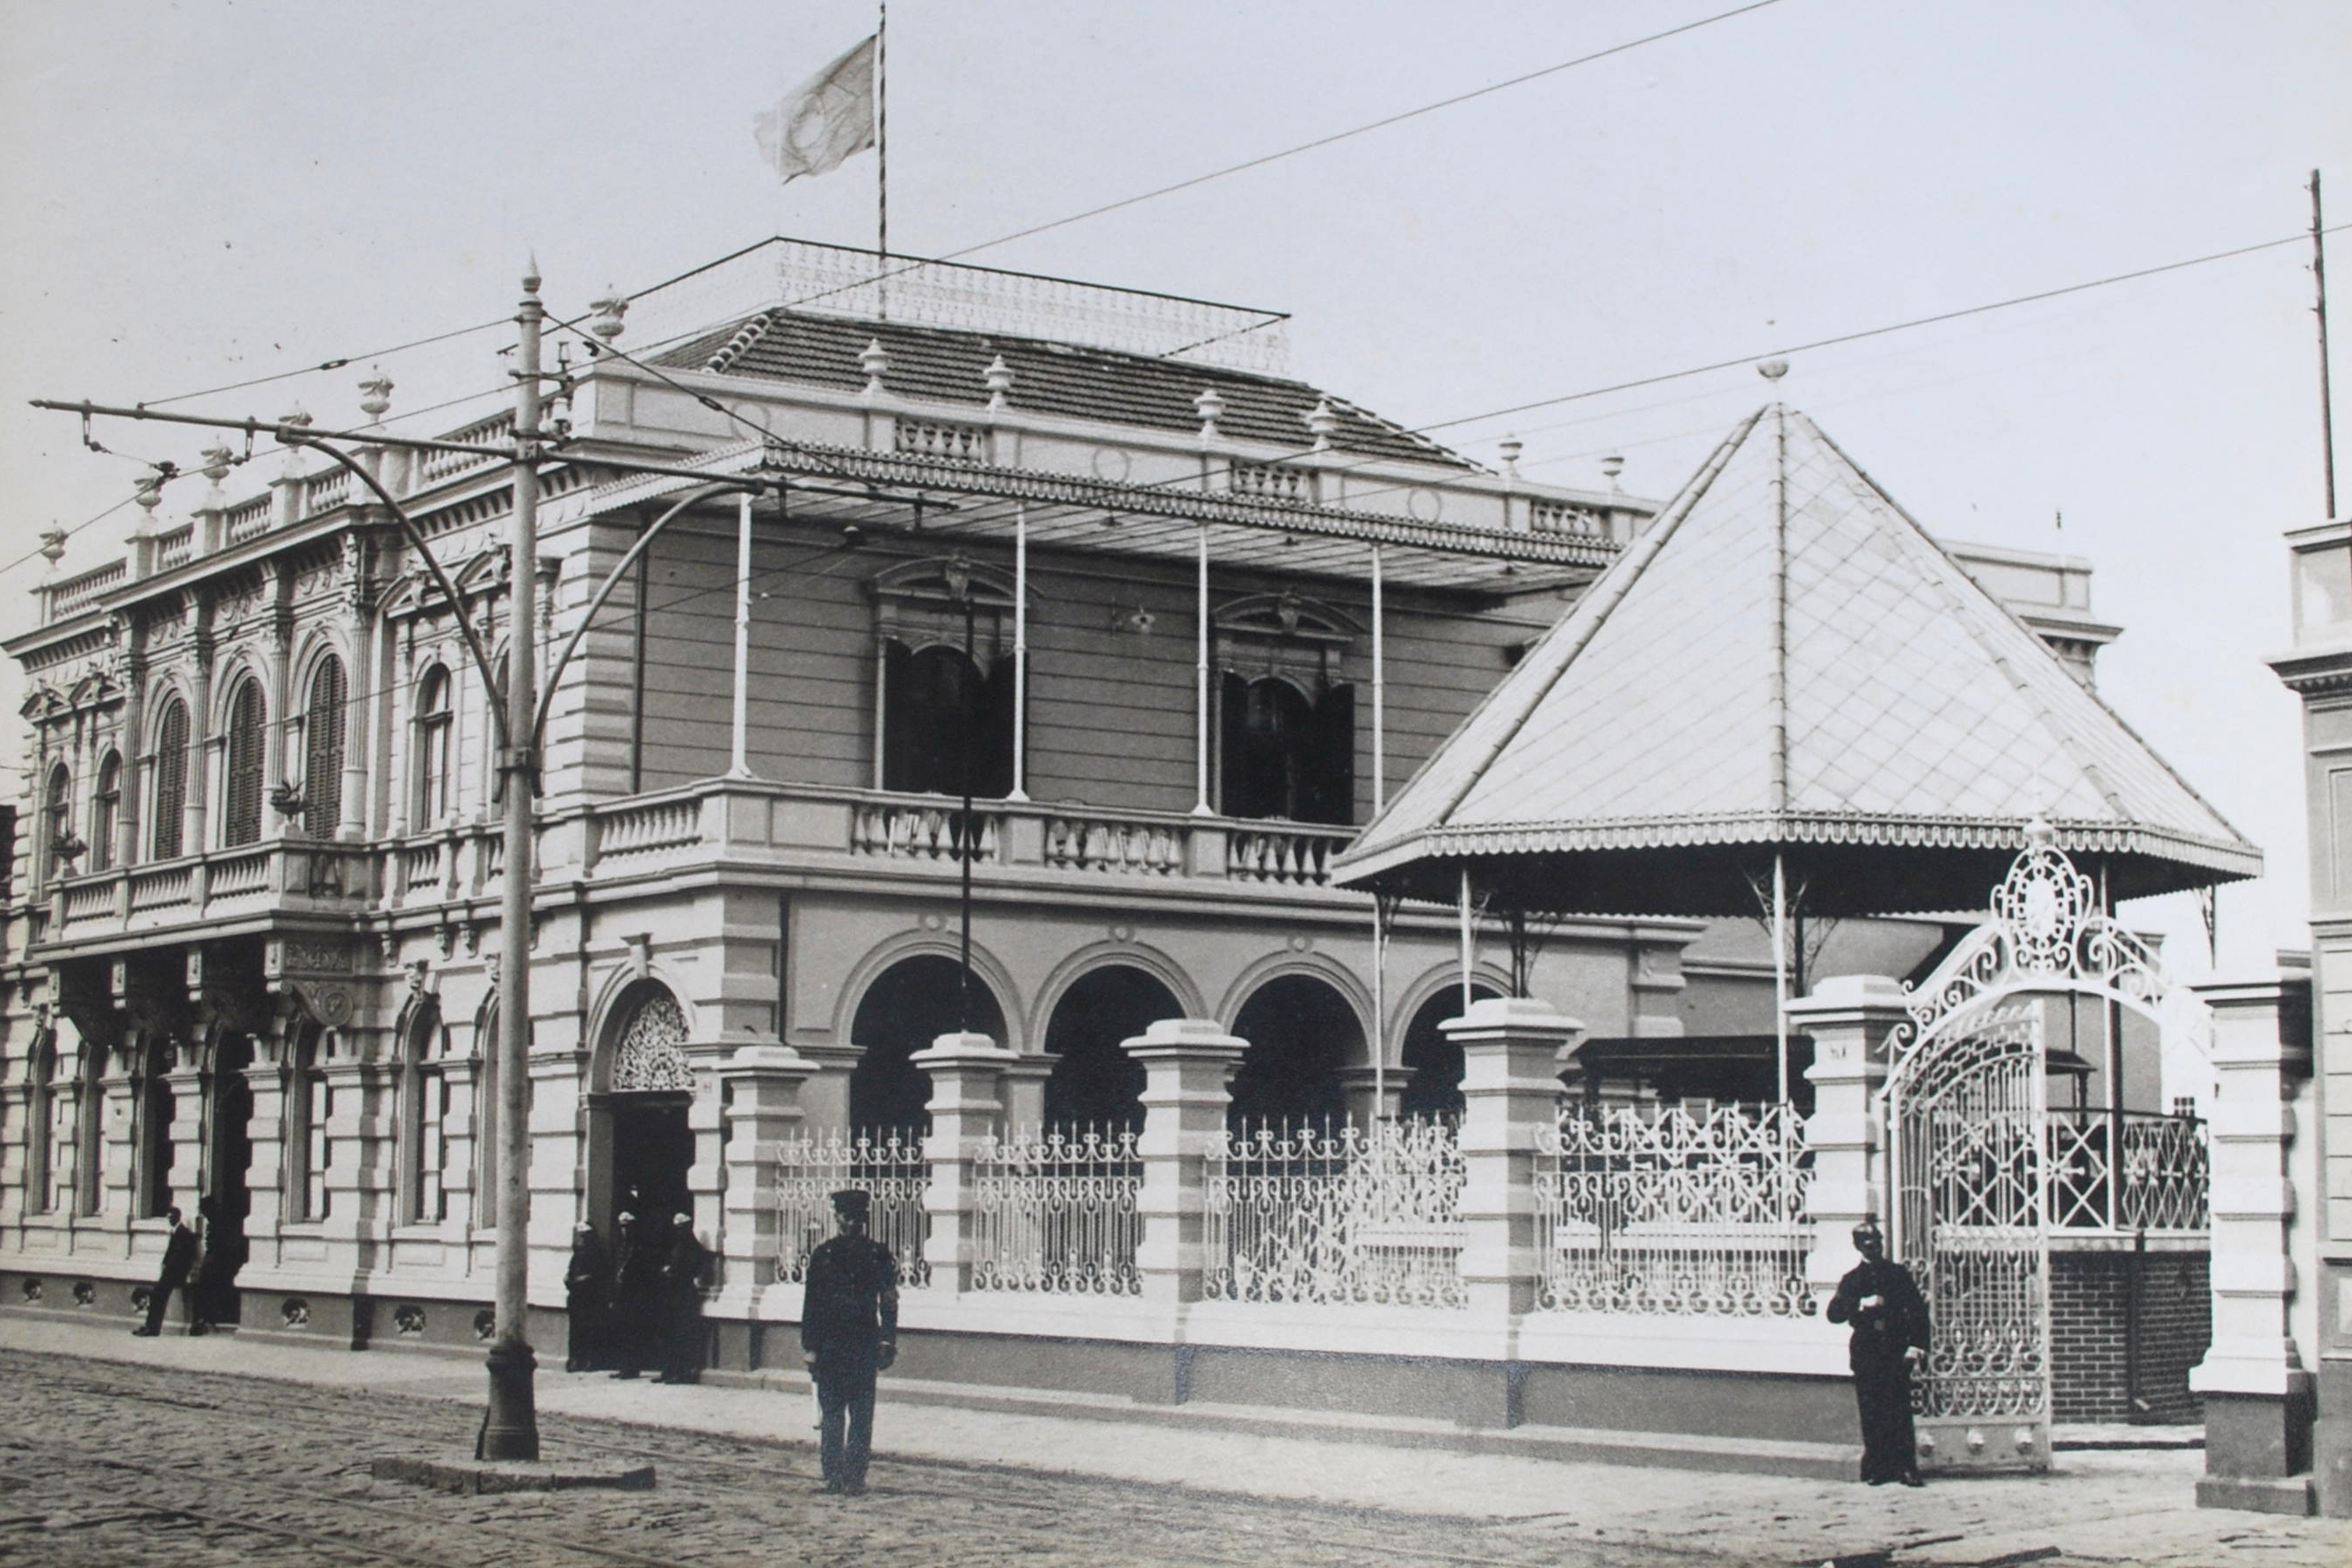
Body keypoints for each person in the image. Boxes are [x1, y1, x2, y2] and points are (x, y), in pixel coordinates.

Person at [801, 1188, 898, 1496]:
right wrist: (810, 1347)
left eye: (857, 1217)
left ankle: (855, 1477)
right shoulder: (823, 1255)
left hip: (863, 1343)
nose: (851, 1223)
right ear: (837, 1217)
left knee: (861, 1413)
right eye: (846, 1217)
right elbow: (812, 1304)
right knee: (831, 1412)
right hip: (830, 1345)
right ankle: (832, 1476)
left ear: (865, 1218)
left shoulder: (878, 1254)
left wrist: (887, 1341)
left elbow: (889, 1301)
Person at [1826, 1218, 1931, 1486]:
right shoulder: (1851, 1280)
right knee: (1872, 1412)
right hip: (1867, 1353)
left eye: (1878, 1240)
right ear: (1858, 1245)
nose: (1874, 1245)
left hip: (1895, 1351)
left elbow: (1918, 1312)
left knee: (1899, 1411)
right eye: (1868, 1241)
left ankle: (1906, 1468)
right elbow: (1834, 1314)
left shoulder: (1897, 1274)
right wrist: (1859, 1304)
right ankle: (1879, 1467)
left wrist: (1916, 1347)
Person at [656, 1211, 715, 1384]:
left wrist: (675, 1272)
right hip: (671, 1294)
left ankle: (681, 1373)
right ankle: (668, 1371)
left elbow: (696, 1267)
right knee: (668, 1334)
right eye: (678, 1228)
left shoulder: (693, 1248)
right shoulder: (675, 1246)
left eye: (683, 1228)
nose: (680, 1231)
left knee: (682, 1335)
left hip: (683, 1295)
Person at [608, 1209, 659, 1379]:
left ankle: (632, 1367)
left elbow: (645, 1273)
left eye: (628, 1226)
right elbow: (614, 1270)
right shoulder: (620, 1246)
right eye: (622, 1227)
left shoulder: (640, 1247)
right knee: (621, 1331)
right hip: (621, 1295)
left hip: (634, 1296)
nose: (625, 1230)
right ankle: (623, 1365)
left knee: (633, 1332)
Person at [134, 1206, 199, 1336]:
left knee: (158, 1295)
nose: (170, 1220)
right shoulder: (176, 1231)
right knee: (157, 1296)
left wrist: (183, 1272)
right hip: (170, 1272)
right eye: (168, 1217)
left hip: (174, 1273)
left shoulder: (184, 1233)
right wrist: (164, 1264)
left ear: (178, 1217)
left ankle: (152, 1328)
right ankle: (150, 1327)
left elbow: (185, 1256)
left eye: (172, 1217)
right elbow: (171, 1253)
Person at [564, 1222, 613, 1373]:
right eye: (581, 1236)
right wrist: (569, 1279)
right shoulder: (577, 1254)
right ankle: (575, 1359)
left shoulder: (597, 1253)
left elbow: (600, 1275)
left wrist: (585, 1279)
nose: (582, 1239)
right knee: (576, 1330)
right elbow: (571, 1271)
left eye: (585, 1236)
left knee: (591, 1329)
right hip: (576, 1297)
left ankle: (591, 1360)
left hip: (590, 1298)